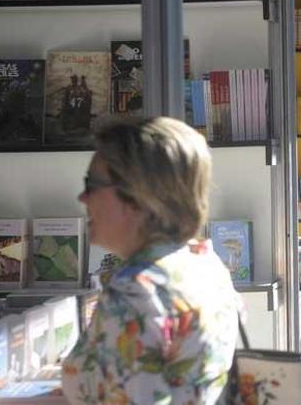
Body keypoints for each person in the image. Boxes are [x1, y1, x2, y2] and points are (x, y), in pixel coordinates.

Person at [62, 116, 239, 404]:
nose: (83, 197)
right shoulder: (205, 264)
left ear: (135, 198)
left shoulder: (136, 290)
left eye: (91, 184)